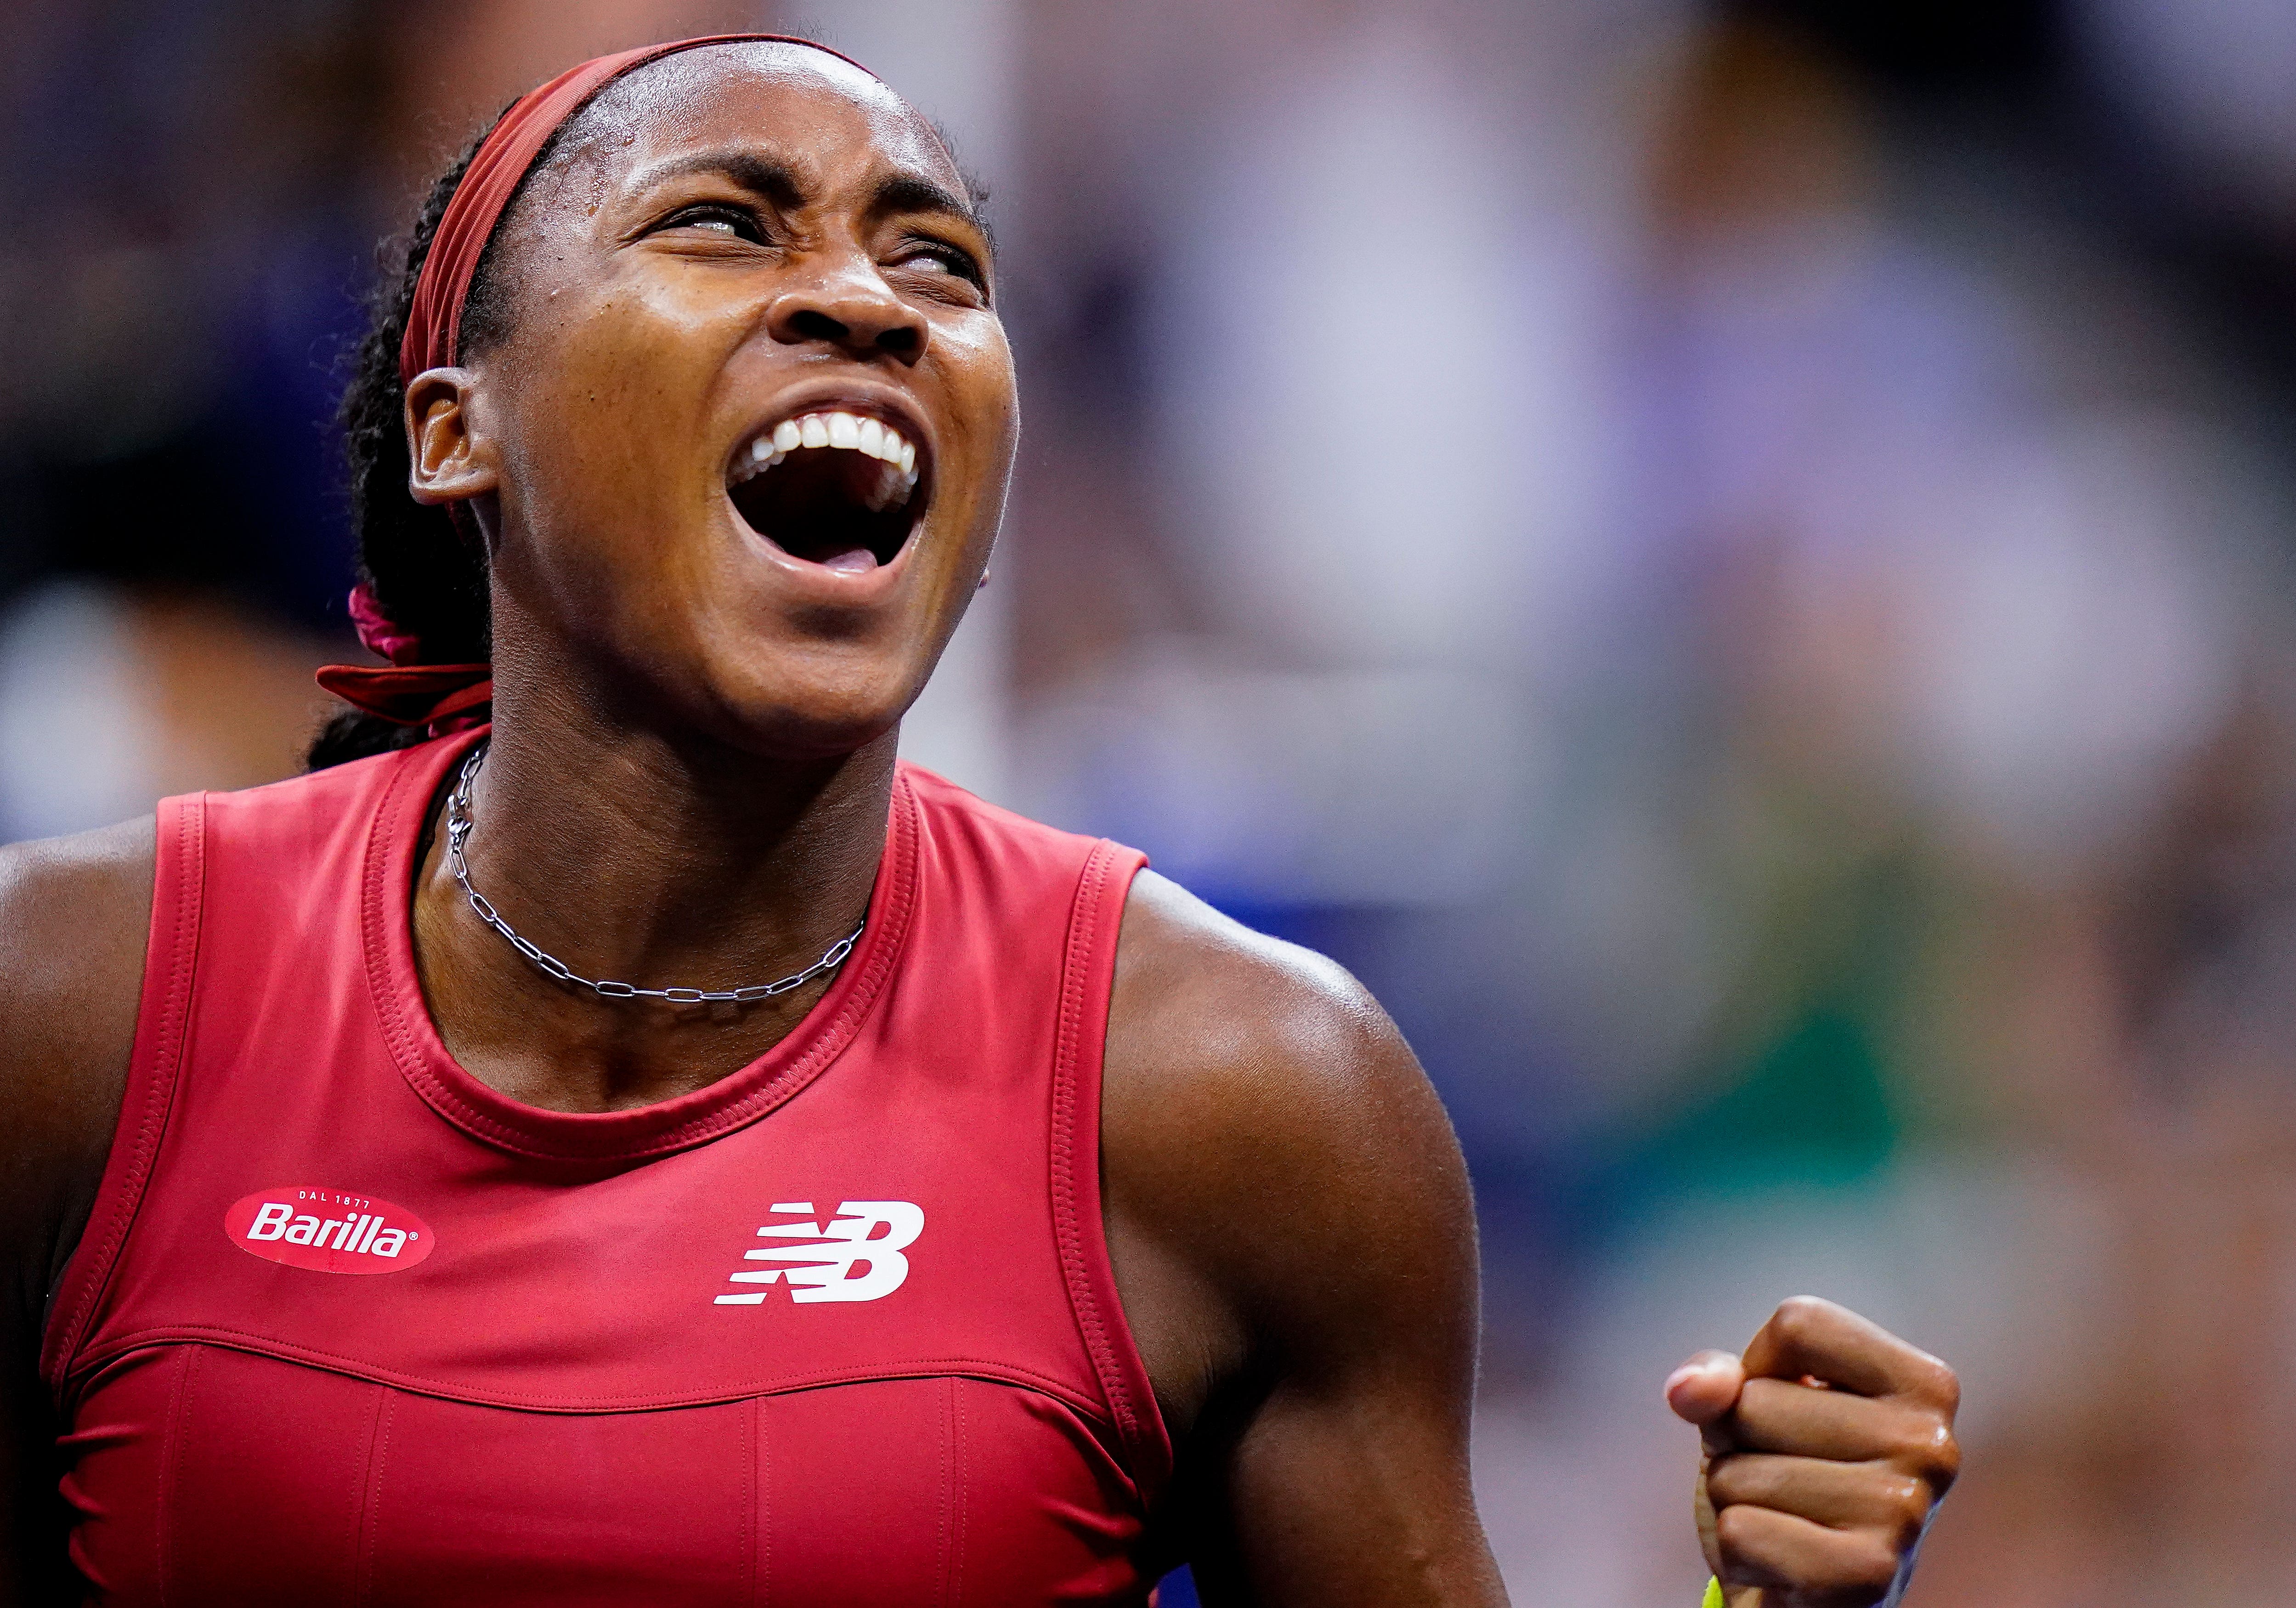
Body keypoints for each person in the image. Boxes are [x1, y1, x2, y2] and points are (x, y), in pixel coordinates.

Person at [0, 35, 1958, 1606]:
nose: (863, 298)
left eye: (936, 260)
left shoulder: (1240, 1095)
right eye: (724, 225)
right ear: (458, 429)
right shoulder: (72, 1010)